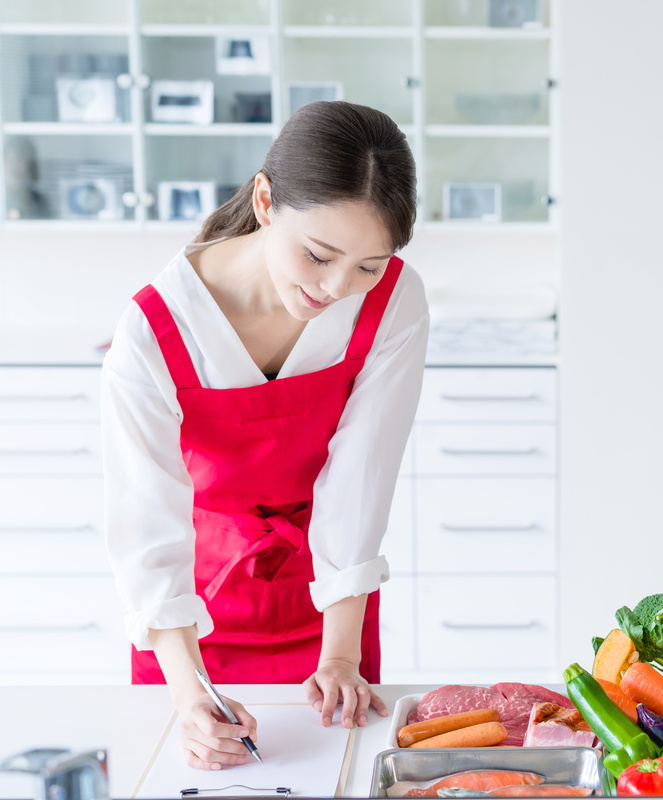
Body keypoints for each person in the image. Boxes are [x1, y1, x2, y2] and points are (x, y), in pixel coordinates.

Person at [100, 101, 429, 770]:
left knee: (339, 770)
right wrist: (190, 693)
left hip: (331, 595)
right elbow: (148, 526)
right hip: (195, 606)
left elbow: (359, 484)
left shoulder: (395, 300)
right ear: (266, 198)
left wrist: (339, 657)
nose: (337, 287)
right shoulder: (155, 332)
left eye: (367, 265)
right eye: (318, 255)